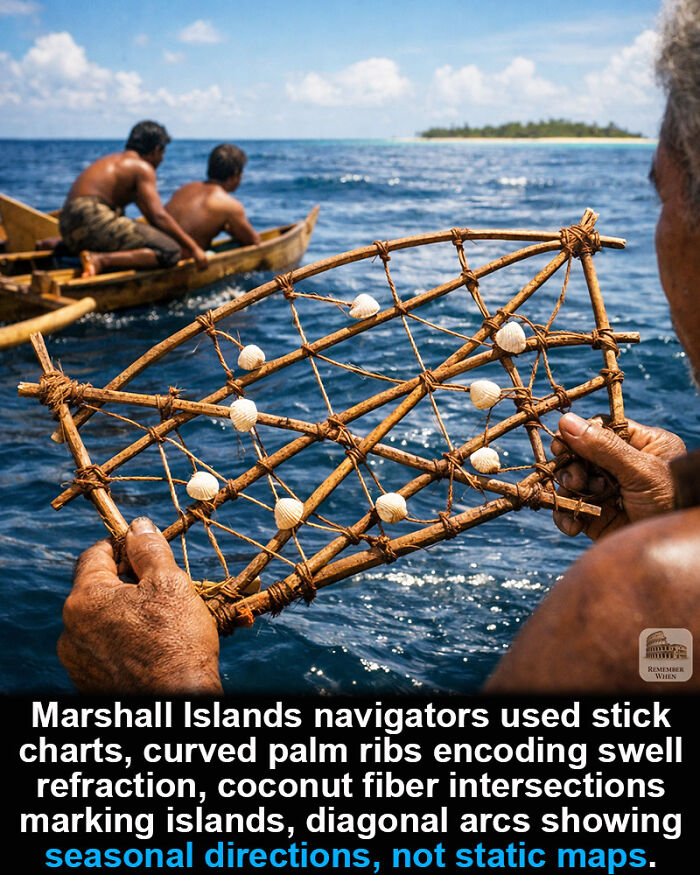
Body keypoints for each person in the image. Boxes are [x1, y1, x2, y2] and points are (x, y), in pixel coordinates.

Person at [57, 0, 699, 694]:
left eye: (660, 195)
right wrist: (672, 508)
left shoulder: (653, 593)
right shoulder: (656, 584)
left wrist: (170, 681)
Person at [59, 120, 208, 278]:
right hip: (93, 217)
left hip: (66, 223)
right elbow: (158, 216)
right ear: (156, 149)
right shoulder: (142, 167)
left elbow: (150, 217)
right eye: (162, 154)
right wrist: (193, 248)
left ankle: (54, 247)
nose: (162, 159)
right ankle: (101, 260)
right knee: (170, 251)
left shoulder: (112, 160)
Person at [165, 143, 261, 250]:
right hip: (186, 258)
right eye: (241, 173)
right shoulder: (229, 204)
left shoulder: (184, 188)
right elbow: (253, 242)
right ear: (235, 173)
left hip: (162, 250)